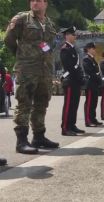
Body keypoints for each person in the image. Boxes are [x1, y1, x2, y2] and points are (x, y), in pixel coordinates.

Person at [5, 0, 59, 154]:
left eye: (39, 0)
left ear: (45, 3)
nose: (35, 3)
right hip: (27, 70)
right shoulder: (22, 19)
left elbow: (49, 45)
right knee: (24, 103)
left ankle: (39, 137)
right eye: (32, 0)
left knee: (42, 103)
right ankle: (21, 141)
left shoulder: (49, 24)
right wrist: (21, 56)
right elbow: (8, 39)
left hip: (44, 71)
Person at [60, 26, 85, 136]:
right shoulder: (65, 49)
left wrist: (80, 77)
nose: (75, 36)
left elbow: (77, 66)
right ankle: (65, 127)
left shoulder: (73, 48)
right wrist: (79, 76)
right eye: (73, 34)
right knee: (69, 104)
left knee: (74, 104)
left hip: (75, 81)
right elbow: (69, 66)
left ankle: (72, 125)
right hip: (70, 80)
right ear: (67, 35)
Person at [83, 42, 103, 127]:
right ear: (88, 49)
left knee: (94, 102)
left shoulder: (93, 59)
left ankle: (93, 119)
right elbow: (90, 72)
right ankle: (88, 120)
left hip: (94, 83)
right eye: (93, 49)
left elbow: (96, 72)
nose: (95, 50)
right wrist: (98, 78)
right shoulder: (86, 59)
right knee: (89, 102)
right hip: (90, 83)